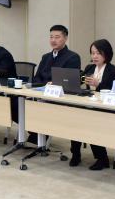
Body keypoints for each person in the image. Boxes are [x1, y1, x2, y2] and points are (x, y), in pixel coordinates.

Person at [31, 25, 83, 161]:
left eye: (57, 37)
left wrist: (52, 84)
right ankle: (36, 137)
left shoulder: (72, 57)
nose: (53, 40)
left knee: (74, 118)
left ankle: (75, 153)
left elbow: (70, 82)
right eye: (51, 37)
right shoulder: (45, 57)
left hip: (63, 99)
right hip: (43, 96)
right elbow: (36, 78)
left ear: (65, 38)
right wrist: (44, 85)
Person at [82, 39, 115, 170]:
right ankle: (75, 154)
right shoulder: (89, 68)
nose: (94, 56)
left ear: (106, 54)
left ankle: (102, 158)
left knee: (92, 121)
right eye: (92, 53)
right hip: (91, 105)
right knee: (76, 116)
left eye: (98, 53)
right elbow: (79, 81)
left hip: (107, 109)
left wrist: (98, 85)